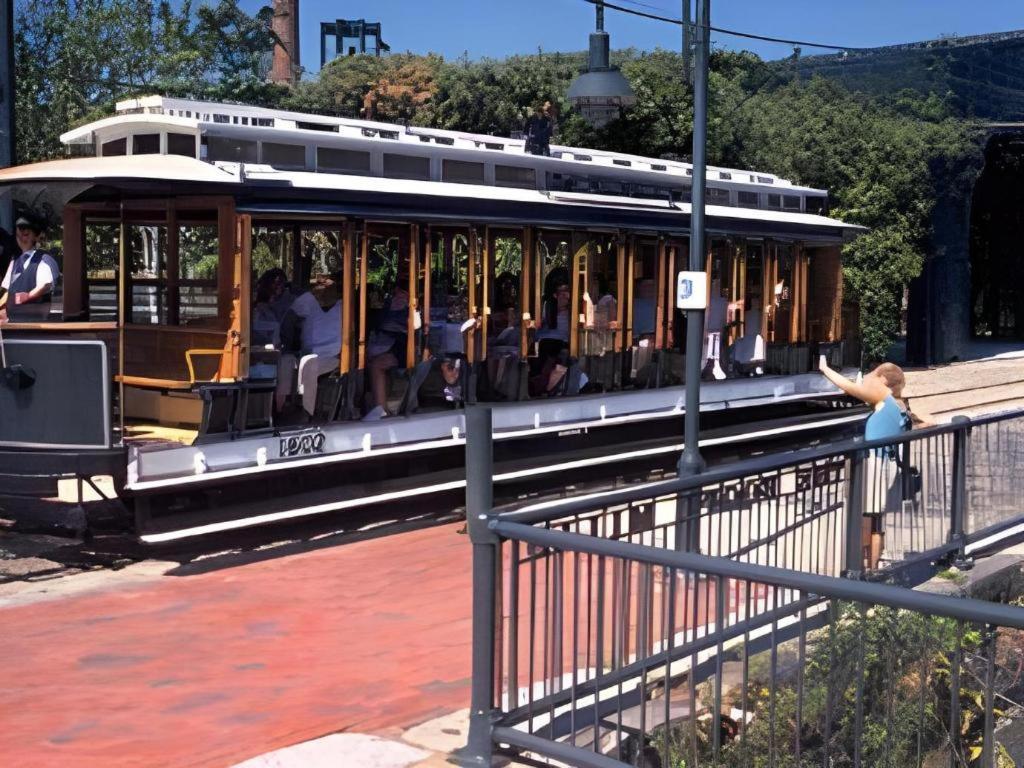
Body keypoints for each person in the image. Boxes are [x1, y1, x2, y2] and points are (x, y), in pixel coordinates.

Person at [819, 358, 911, 569]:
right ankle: (873, 566)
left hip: (874, 464)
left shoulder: (884, 398)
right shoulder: (901, 405)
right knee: (877, 519)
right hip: (888, 464)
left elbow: (851, 388)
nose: (867, 379)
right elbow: (927, 422)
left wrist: (825, 369)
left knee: (866, 516)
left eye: (872, 375)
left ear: (883, 380)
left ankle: (860, 567)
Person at [283, 274, 342, 416]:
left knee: (310, 365)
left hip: (333, 356)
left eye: (328, 283)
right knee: (284, 362)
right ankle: (281, 409)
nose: (324, 285)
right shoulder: (307, 299)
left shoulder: (344, 303)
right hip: (306, 352)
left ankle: (306, 413)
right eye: (321, 283)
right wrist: (288, 345)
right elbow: (288, 321)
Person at [364, 283, 412, 420]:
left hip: (402, 349)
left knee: (377, 365)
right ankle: (378, 404)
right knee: (369, 361)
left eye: (401, 292)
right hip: (385, 345)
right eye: (395, 292)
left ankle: (381, 410)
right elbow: (377, 323)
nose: (397, 295)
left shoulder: (411, 310)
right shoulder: (388, 307)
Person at [0, 215, 60, 323]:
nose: (22, 239)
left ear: (36, 236)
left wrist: (28, 296)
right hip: (12, 324)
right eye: (18, 235)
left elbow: (46, 285)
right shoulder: (14, 262)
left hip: (35, 323)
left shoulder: (44, 258)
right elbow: (6, 291)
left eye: (26, 234)